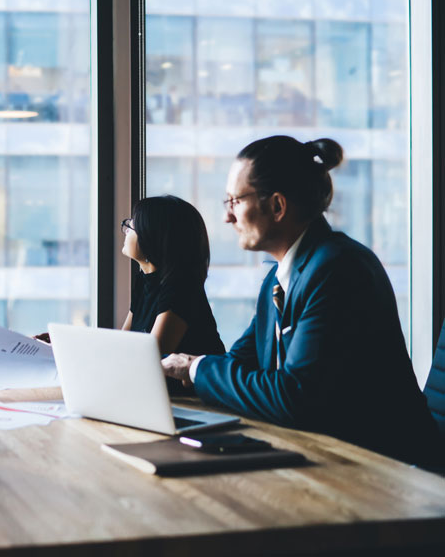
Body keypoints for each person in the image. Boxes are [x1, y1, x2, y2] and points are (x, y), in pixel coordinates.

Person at [162, 136, 441, 467]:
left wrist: (196, 368)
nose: (228, 218)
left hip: (390, 469)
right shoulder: (278, 280)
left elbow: (295, 396)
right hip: (327, 454)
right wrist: (189, 372)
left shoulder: (339, 269)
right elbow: (241, 362)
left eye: (234, 202)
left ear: (278, 206)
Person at [36, 196, 225, 359]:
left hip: (192, 398)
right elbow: (124, 342)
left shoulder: (181, 289)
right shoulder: (146, 280)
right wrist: (65, 345)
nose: (126, 230)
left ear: (154, 238)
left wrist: (71, 349)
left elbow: (150, 357)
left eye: (132, 226)